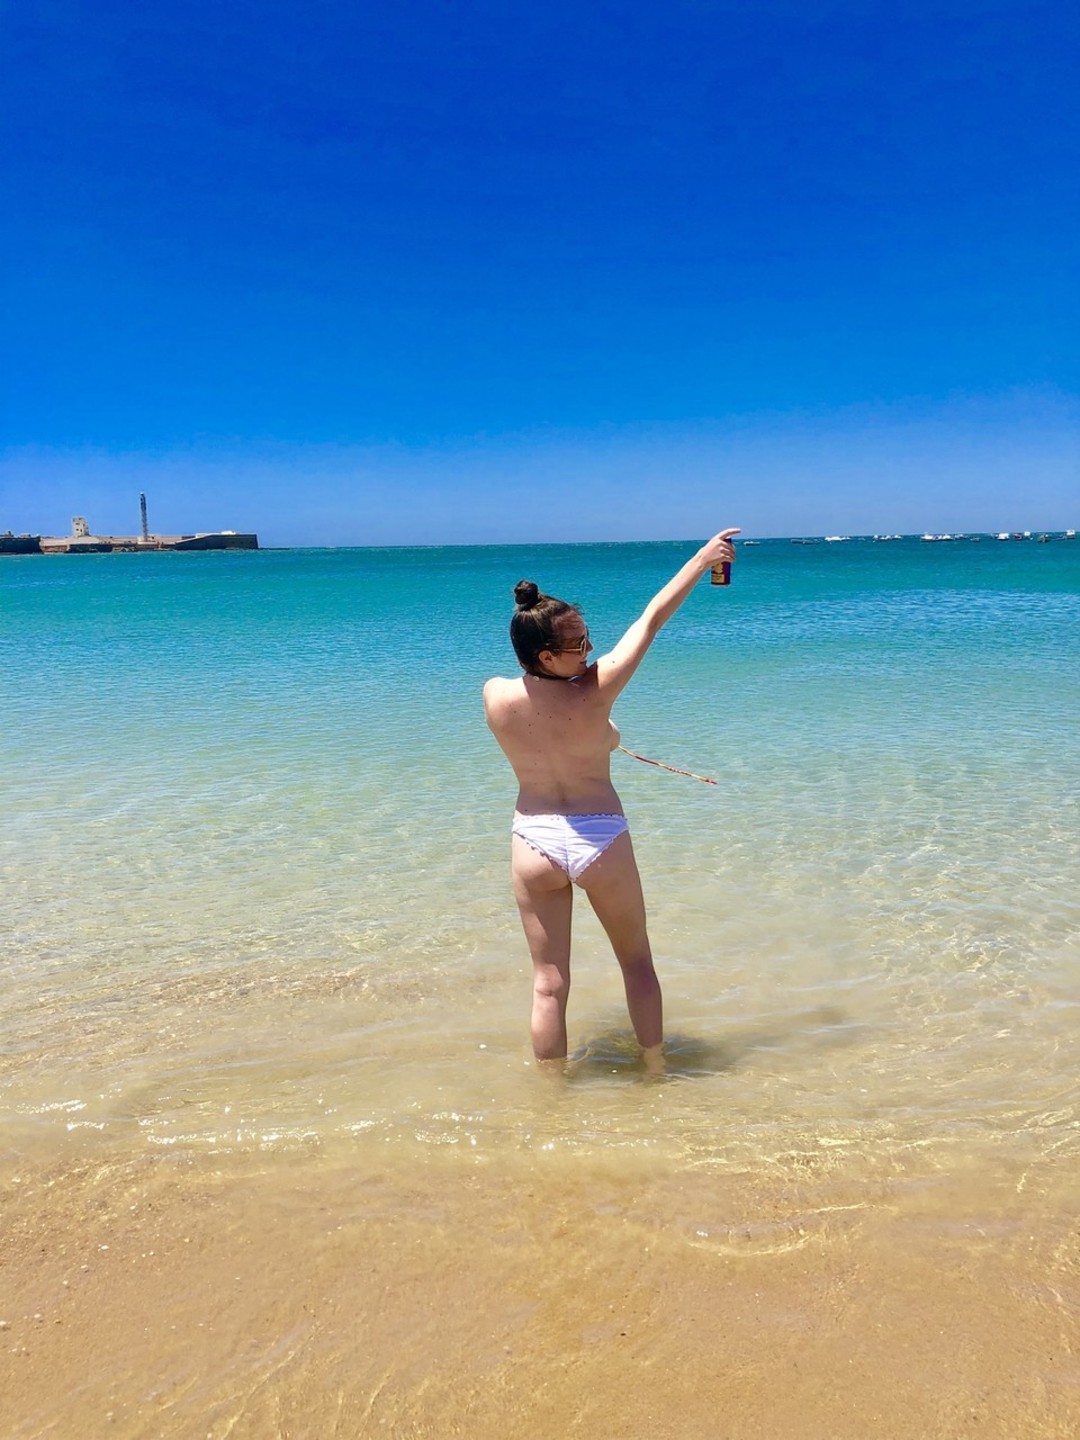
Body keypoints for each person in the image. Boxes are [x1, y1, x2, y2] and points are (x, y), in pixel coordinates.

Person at [483, 529, 739, 1066]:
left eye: (588, 638)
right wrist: (701, 559)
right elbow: (651, 619)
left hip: (533, 840)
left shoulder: (496, 695)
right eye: (578, 645)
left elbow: (546, 718)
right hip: (599, 836)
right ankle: (655, 1072)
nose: (590, 650)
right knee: (637, 964)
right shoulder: (596, 691)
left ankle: (550, 1097)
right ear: (547, 654)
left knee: (548, 983)